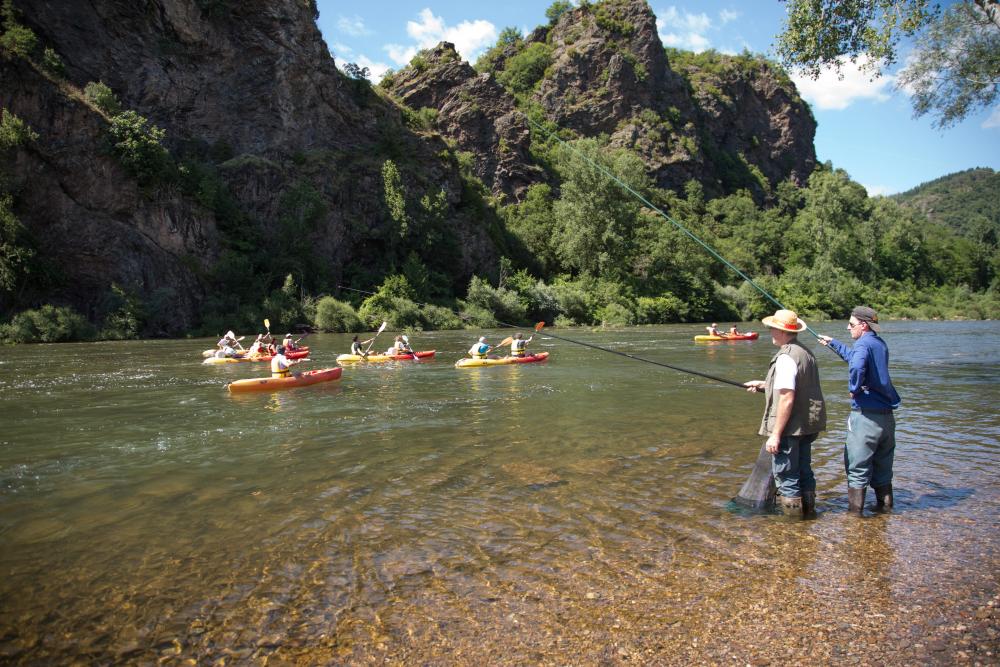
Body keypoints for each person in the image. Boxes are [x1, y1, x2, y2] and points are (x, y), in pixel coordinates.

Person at [818, 306, 901, 515]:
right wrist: (833, 344)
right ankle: (886, 512)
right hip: (887, 419)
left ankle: (855, 520)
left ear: (863, 326)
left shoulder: (862, 344)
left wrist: (853, 389)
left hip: (865, 419)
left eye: (851, 324)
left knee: (857, 469)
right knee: (883, 469)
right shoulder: (878, 343)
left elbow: (857, 366)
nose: (848, 328)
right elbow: (856, 357)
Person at [744, 309, 827, 516]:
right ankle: (809, 515)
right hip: (806, 426)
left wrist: (776, 434)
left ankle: (794, 526)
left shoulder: (785, 358)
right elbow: (796, 386)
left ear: (781, 331)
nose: (770, 331)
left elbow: (787, 397)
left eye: (772, 328)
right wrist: (765, 385)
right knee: (804, 472)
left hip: (790, 429)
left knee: (787, 477)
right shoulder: (804, 352)